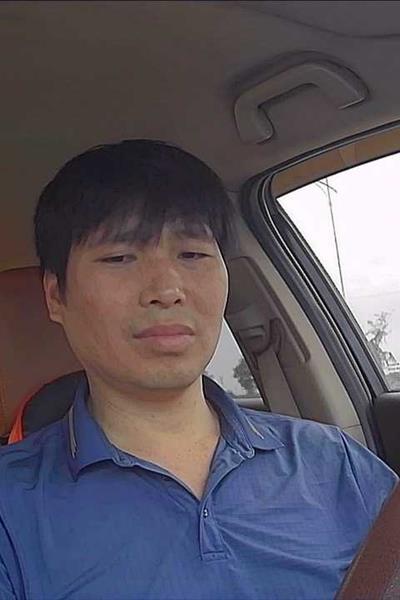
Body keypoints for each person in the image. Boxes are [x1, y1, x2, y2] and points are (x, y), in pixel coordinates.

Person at [0, 140, 397, 600]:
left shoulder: (333, 461)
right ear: (56, 296)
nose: (167, 289)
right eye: (119, 258)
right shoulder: (12, 506)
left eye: (192, 255)